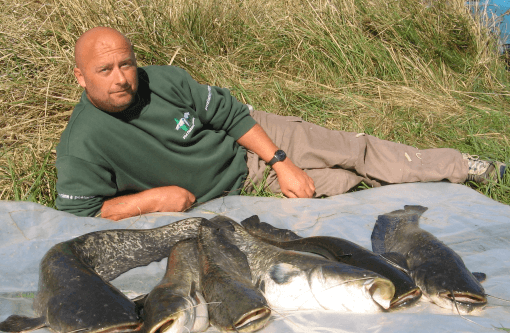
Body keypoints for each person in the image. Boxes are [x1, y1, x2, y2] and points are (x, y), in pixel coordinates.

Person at [55, 27, 506, 221]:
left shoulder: (163, 80)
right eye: (105, 70)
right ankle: (431, 193)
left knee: (355, 151)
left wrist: (280, 160)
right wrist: (150, 200)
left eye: (126, 64)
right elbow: (78, 213)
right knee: (341, 186)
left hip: (259, 141)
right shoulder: (82, 143)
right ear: (80, 76)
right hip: (236, 190)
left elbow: (230, 114)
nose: (121, 79)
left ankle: (466, 167)